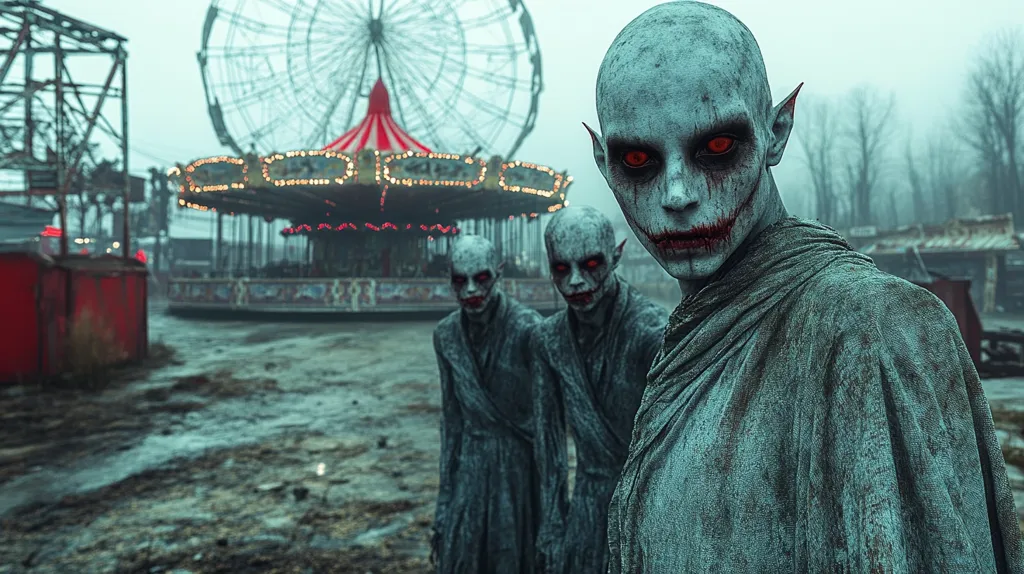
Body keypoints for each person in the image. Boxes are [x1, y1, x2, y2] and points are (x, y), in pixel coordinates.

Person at [586, 2, 1024, 572]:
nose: (676, 194)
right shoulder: (693, 332)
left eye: (717, 149)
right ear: (603, 162)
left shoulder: (877, 327)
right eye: (638, 160)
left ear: (776, 133)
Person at [530, 205, 666, 574]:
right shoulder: (549, 339)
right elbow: (548, 444)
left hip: (649, 506)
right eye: (561, 269)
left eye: (590, 265)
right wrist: (552, 526)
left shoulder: (652, 333)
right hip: (587, 506)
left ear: (616, 256)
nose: (575, 282)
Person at [431, 234, 542, 573]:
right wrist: (444, 501)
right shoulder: (446, 335)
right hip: (469, 465)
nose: (469, 291)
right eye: (459, 281)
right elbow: (451, 422)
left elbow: (547, 427)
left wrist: (554, 514)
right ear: (450, 277)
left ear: (498, 273)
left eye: (480, 279)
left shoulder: (530, 329)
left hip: (518, 470)